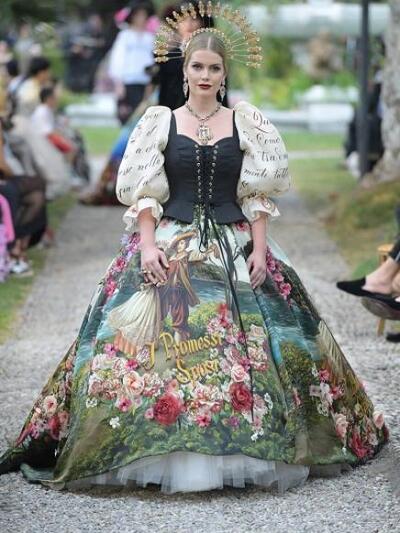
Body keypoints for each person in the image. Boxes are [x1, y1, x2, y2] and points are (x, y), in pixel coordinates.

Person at [0, 4, 387, 494]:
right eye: (197, 67)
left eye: (214, 68)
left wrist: (260, 252)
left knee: (271, 340)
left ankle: (248, 440)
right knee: (139, 340)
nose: (205, 76)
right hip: (171, 238)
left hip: (234, 240)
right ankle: (152, 441)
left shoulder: (246, 122)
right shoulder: (160, 122)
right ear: (184, 72)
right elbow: (145, 195)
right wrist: (146, 248)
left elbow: (255, 195)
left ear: (225, 74)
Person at [108, 1, 155, 125]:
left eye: (143, 15)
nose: (141, 19)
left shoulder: (150, 37)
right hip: (129, 80)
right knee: (130, 118)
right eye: (138, 15)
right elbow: (117, 58)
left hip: (146, 81)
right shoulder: (125, 36)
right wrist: (118, 82)